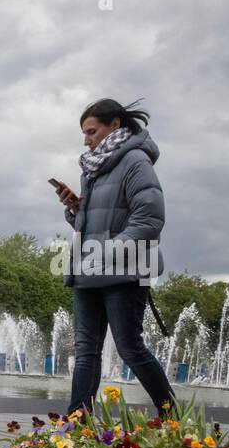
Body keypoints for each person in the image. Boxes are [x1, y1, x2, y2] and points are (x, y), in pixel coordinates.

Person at [52, 98, 174, 417]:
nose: (86, 139)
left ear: (115, 125)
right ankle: (75, 425)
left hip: (125, 271)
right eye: (84, 133)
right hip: (89, 270)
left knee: (129, 348)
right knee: (85, 352)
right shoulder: (94, 168)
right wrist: (76, 209)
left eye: (92, 131)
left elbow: (149, 220)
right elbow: (100, 221)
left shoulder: (135, 161)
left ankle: (174, 416)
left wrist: (108, 252)